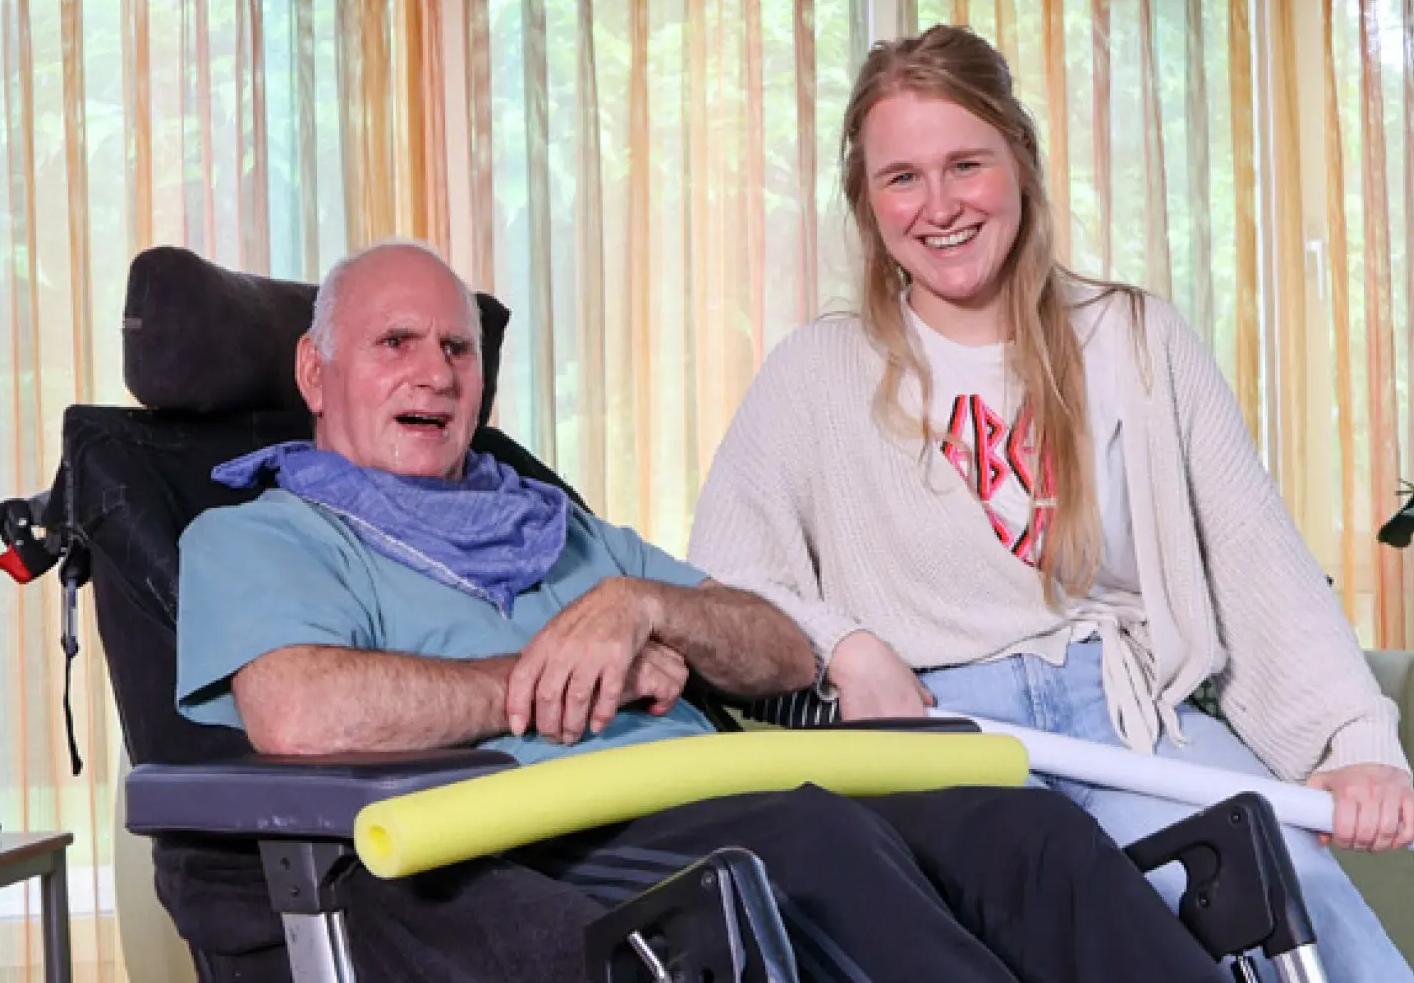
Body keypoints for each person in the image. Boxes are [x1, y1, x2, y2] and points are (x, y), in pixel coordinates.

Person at [172, 239, 1235, 983]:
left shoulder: (563, 530)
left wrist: (645, 610)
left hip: (731, 790)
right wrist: (558, 677)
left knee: (1022, 829)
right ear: (315, 371)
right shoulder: (263, 534)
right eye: (394, 344)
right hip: (545, 842)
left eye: (457, 349)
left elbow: (774, 650)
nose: (437, 375)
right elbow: (303, 714)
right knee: (805, 847)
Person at [687, 25, 1414, 983]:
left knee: (1302, 904)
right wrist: (847, 648)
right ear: (866, 204)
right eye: (901, 178)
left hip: (1132, 726)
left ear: (1021, 165)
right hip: (942, 744)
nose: (939, 206)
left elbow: (1253, 560)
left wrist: (1356, 744)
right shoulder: (813, 375)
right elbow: (723, 582)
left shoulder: (1137, 339)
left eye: (966, 165)